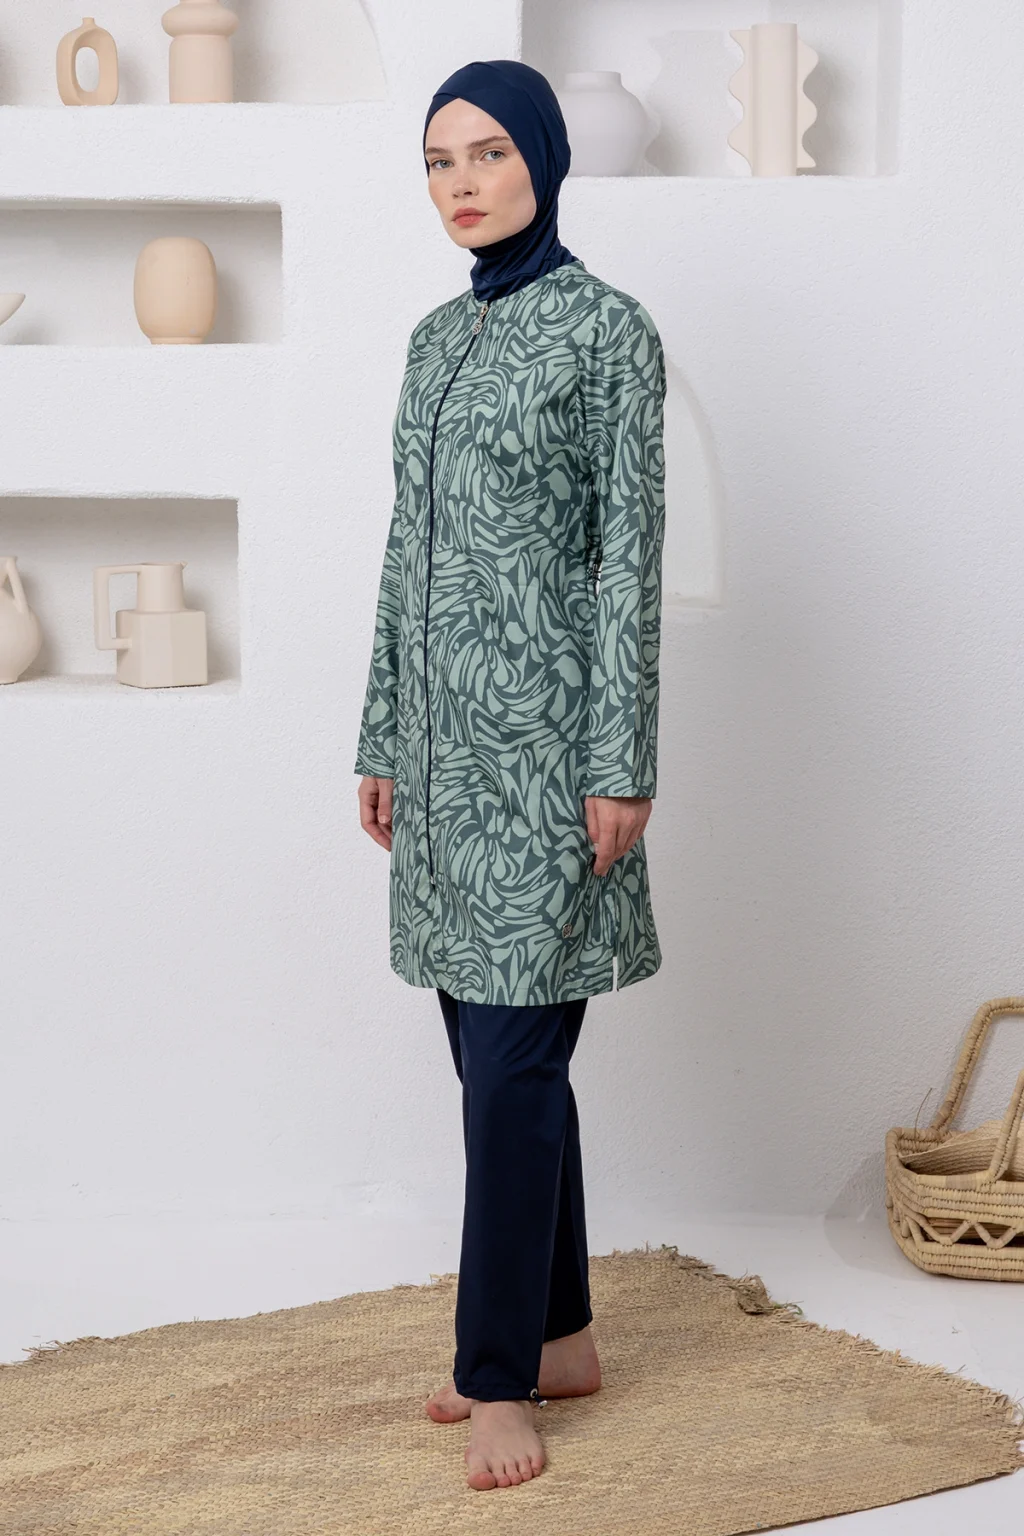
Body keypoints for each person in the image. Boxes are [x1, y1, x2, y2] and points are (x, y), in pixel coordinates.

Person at [354, 58, 667, 1493]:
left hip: (550, 764)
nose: (461, 182)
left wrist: (622, 762)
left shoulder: (610, 334)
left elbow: (628, 567)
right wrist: (381, 737)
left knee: (514, 1073)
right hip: (441, 764)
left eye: (487, 152)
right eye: (439, 160)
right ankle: (563, 1335)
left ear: (544, 156)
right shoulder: (434, 341)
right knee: (498, 1064)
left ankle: (497, 1378)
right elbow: (404, 557)